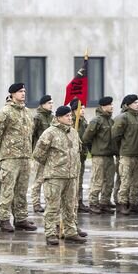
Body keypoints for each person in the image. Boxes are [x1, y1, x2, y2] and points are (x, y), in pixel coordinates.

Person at [33, 105, 86, 245]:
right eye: (67, 116)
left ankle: (70, 232)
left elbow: (77, 152)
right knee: (52, 206)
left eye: (70, 115)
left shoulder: (73, 132)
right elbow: (38, 154)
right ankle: (50, 233)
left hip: (71, 176)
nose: (70, 118)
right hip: (55, 176)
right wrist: (53, 165)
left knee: (70, 206)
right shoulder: (49, 133)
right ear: (58, 118)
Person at [0, 83, 37, 232]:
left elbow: (31, 133)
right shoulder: (5, 112)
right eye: (19, 91)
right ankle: (3, 218)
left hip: (25, 157)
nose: (23, 94)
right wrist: (6, 150)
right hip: (9, 158)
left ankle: (21, 218)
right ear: (12, 94)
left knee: (22, 190)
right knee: (7, 190)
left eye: (24, 91)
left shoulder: (28, 112)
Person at [82, 96, 117, 215]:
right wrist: (94, 150)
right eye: (109, 105)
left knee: (109, 181)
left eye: (112, 104)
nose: (112, 106)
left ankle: (105, 202)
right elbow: (86, 138)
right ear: (103, 106)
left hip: (109, 155)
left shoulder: (111, 121)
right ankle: (93, 203)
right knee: (97, 181)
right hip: (99, 156)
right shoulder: (96, 121)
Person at [112, 94, 138, 215]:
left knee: (136, 181)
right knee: (125, 181)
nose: (137, 105)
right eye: (135, 103)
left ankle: (134, 203)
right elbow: (115, 136)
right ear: (128, 104)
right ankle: (121, 203)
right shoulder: (123, 118)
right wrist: (120, 151)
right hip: (126, 154)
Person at [31, 95, 54, 213]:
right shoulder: (38, 118)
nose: (51, 105)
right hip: (40, 153)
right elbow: (31, 134)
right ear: (43, 104)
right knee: (38, 180)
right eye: (49, 103)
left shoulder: (52, 118)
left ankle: (48, 203)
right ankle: (36, 203)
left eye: (52, 103)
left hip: (51, 154)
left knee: (49, 180)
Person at [70, 98, 89, 213]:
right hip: (71, 156)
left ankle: (79, 201)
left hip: (81, 155)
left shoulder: (84, 122)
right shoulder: (71, 121)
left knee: (80, 180)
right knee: (72, 181)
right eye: (80, 108)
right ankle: (72, 202)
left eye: (83, 108)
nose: (82, 110)